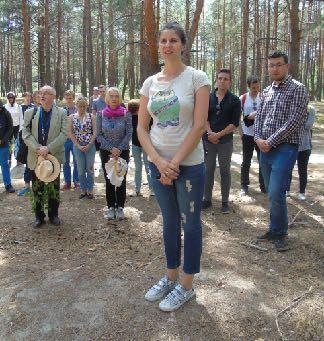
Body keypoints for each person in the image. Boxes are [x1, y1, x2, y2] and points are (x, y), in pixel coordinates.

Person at [138, 22, 210, 312]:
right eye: (163, 40)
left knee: (190, 224)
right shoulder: (150, 83)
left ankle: (187, 284)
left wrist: (175, 163)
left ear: (183, 44)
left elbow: (200, 124)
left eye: (173, 40)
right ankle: (170, 277)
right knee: (169, 223)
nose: (167, 45)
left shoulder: (197, 78)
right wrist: (158, 161)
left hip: (188, 165)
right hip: (157, 164)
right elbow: (142, 128)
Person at [254, 51, 309, 251]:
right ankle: (275, 228)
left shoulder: (298, 89)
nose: (274, 69)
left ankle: (280, 232)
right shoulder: (266, 91)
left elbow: (295, 120)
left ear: (287, 66)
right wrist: (258, 139)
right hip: (264, 149)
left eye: (278, 64)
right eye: (271, 65)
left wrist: (270, 140)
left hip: (285, 148)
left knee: (277, 190)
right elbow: (259, 118)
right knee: (271, 192)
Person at [22, 85, 67, 228]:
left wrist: (49, 148)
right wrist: (37, 148)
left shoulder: (62, 112)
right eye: (41, 93)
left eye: (46, 93)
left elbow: (64, 134)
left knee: (54, 186)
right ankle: (39, 216)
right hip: (36, 156)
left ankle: (54, 215)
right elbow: (25, 133)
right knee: (37, 188)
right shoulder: (31, 112)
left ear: (53, 97)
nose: (42, 95)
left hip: (54, 156)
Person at [202, 69, 241, 213]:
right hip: (208, 140)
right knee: (208, 169)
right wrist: (210, 133)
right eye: (220, 78)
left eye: (225, 79)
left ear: (230, 82)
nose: (222, 81)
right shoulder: (208, 98)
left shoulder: (235, 100)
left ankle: (225, 202)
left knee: (225, 170)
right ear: (216, 80)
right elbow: (203, 118)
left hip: (225, 142)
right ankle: (207, 199)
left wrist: (219, 134)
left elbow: (234, 123)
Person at [96, 87, 132, 220]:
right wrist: (111, 149)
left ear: (120, 98)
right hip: (106, 153)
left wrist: (119, 149)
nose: (114, 98)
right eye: (111, 96)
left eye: (116, 96)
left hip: (123, 152)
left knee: (121, 179)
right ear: (107, 98)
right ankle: (111, 207)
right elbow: (99, 135)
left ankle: (120, 207)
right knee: (109, 179)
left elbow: (129, 133)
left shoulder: (125, 113)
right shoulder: (101, 114)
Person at [239, 76, 265, 195]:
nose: (256, 89)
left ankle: (263, 185)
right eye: (253, 87)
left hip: (261, 135)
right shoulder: (243, 98)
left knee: (262, 161)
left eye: (257, 87)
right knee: (246, 160)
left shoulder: (264, 97)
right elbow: (238, 117)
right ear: (248, 86)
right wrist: (241, 132)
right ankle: (244, 185)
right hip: (247, 134)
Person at [68, 96, 97, 199]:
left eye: (84, 106)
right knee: (80, 169)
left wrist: (89, 144)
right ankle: (83, 189)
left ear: (86, 106)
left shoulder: (91, 116)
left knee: (89, 168)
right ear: (76, 106)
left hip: (90, 145)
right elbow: (70, 132)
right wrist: (77, 145)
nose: (82, 109)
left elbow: (95, 131)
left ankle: (90, 190)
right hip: (78, 146)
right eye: (80, 106)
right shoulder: (72, 117)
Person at [287, 105, 315, 200]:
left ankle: (302, 192)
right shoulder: (290, 107)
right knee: (287, 169)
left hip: (305, 145)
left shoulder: (310, 109)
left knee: (302, 170)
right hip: (290, 144)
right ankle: (286, 190)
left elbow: (308, 125)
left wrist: (293, 123)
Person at [128, 99, 154, 197]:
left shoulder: (146, 116)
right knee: (138, 167)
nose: (136, 112)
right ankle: (137, 189)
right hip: (135, 145)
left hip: (146, 145)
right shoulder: (130, 117)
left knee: (148, 167)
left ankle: (152, 189)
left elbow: (150, 129)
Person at [17, 92, 37, 196]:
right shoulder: (21, 108)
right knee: (28, 163)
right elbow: (21, 124)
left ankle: (37, 186)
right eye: (26, 96)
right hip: (26, 138)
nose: (28, 98)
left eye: (30, 97)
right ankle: (26, 186)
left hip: (38, 141)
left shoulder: (37, 108)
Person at [62, 90, 79, 190]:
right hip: (64, 140)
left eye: (71, 98)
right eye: (67, 98)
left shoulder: (77, 110)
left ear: (73, 98)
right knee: (65, 162)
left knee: (76, 161)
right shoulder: (61, 110)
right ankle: (67, 182)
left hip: (75, 139)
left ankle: (76, 181)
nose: (69, 100)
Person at [5, 92, 23, 167]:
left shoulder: (18, 107)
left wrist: (20, 128)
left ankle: (18, 159)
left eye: (12, 98)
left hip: (17, 128)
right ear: (8, 99)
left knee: (17, 144)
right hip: (8, 128)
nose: (11, 99)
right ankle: (9, 159)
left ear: (14, 98)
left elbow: (21, 118)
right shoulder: (5, 107)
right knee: (9, 144)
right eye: (9, 98)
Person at [0, 100, 15, 193]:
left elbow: (10, 127)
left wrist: (4, 139)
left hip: (3, 144)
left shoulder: (6, 113)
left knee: (4, 165)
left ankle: (8, 184)